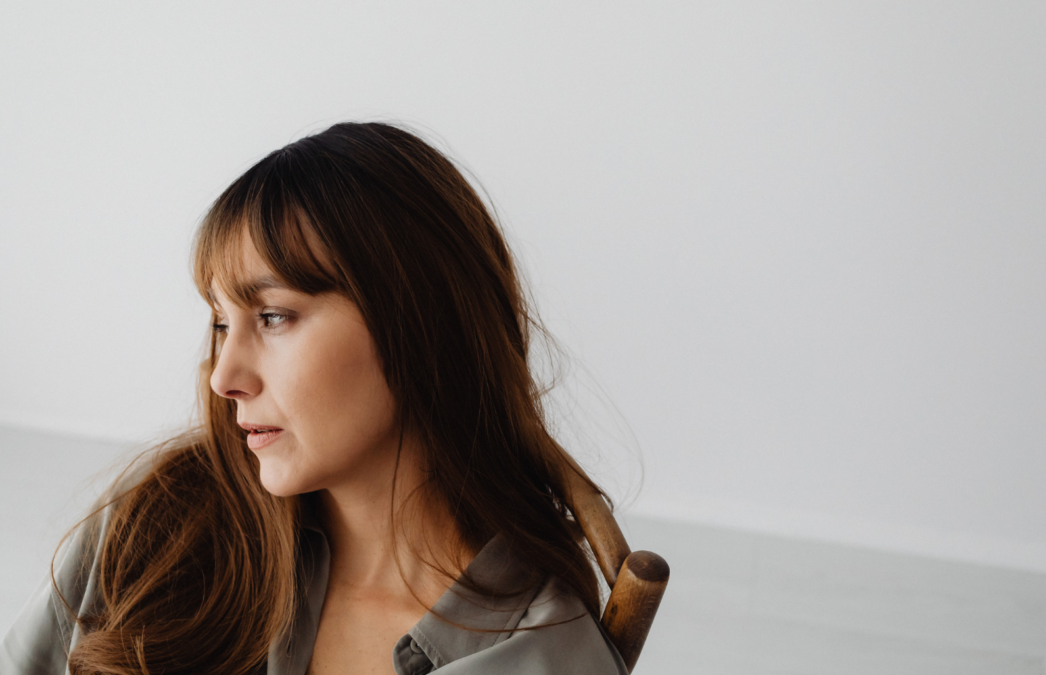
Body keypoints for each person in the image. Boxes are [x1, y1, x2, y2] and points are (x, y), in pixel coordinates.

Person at [1, 122, 629, 675]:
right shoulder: (158, 524)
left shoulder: (536, 658)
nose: (224, 377)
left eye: (273, 316)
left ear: (419, 324)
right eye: (222, 323)